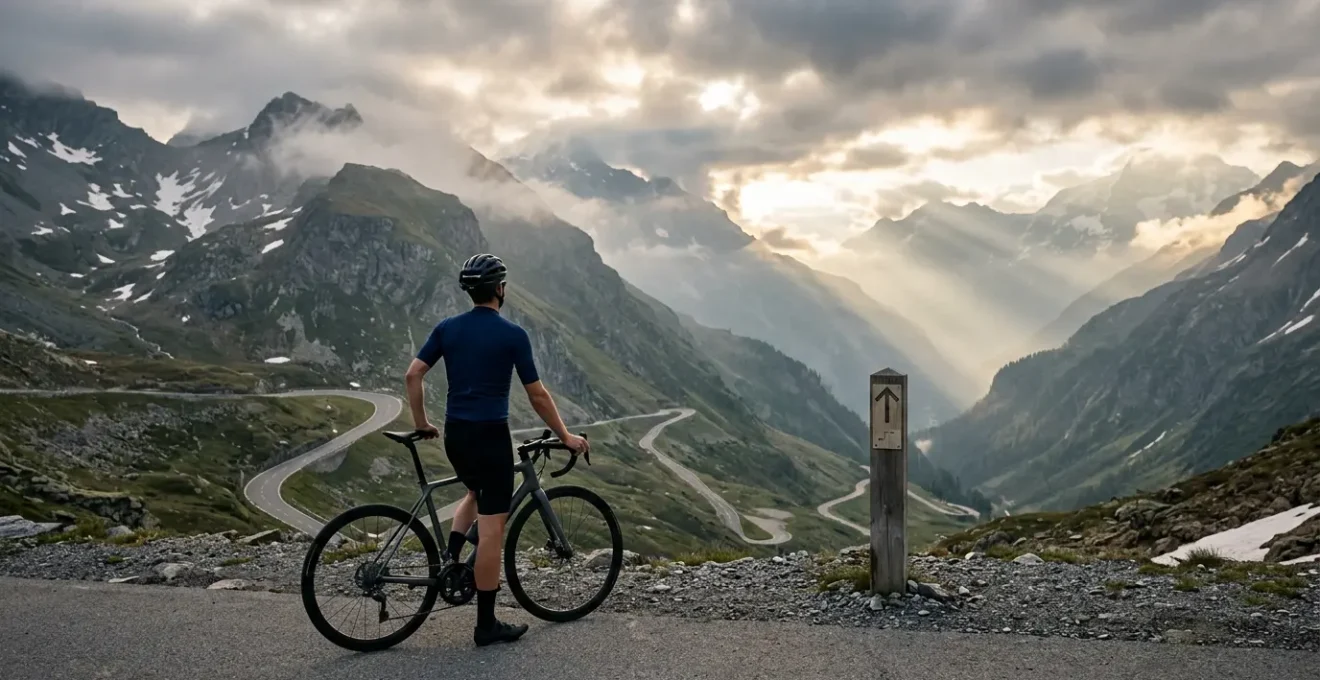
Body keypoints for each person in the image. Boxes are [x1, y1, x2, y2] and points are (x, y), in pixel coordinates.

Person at [403, 252, 589, 647]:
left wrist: (421, 423)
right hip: (490, 437)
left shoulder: (448, 328)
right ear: (500, 290)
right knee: (492, 532)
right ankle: (486, 625)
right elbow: (537, 395)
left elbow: (413, 374)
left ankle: (450, 564)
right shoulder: (512, 335)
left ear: (471, 291)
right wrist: (567, 436)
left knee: (473, 491)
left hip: (456, 435)